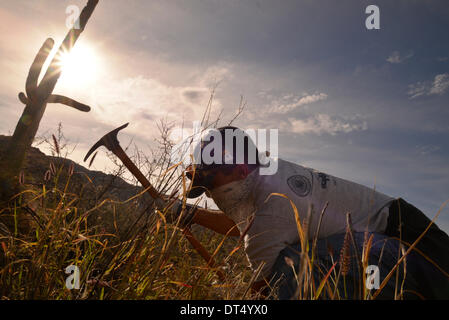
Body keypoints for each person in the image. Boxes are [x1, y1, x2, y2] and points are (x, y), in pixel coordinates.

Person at [169, 126, 449, 299]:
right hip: (392, 235)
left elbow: (263, 289)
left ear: (240, 170)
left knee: (288, 272)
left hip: (412, 245)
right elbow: (245, 227)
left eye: (210, 184)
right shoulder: (265, 173)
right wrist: (190, 215)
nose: (210, 195)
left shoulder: (273, 204)